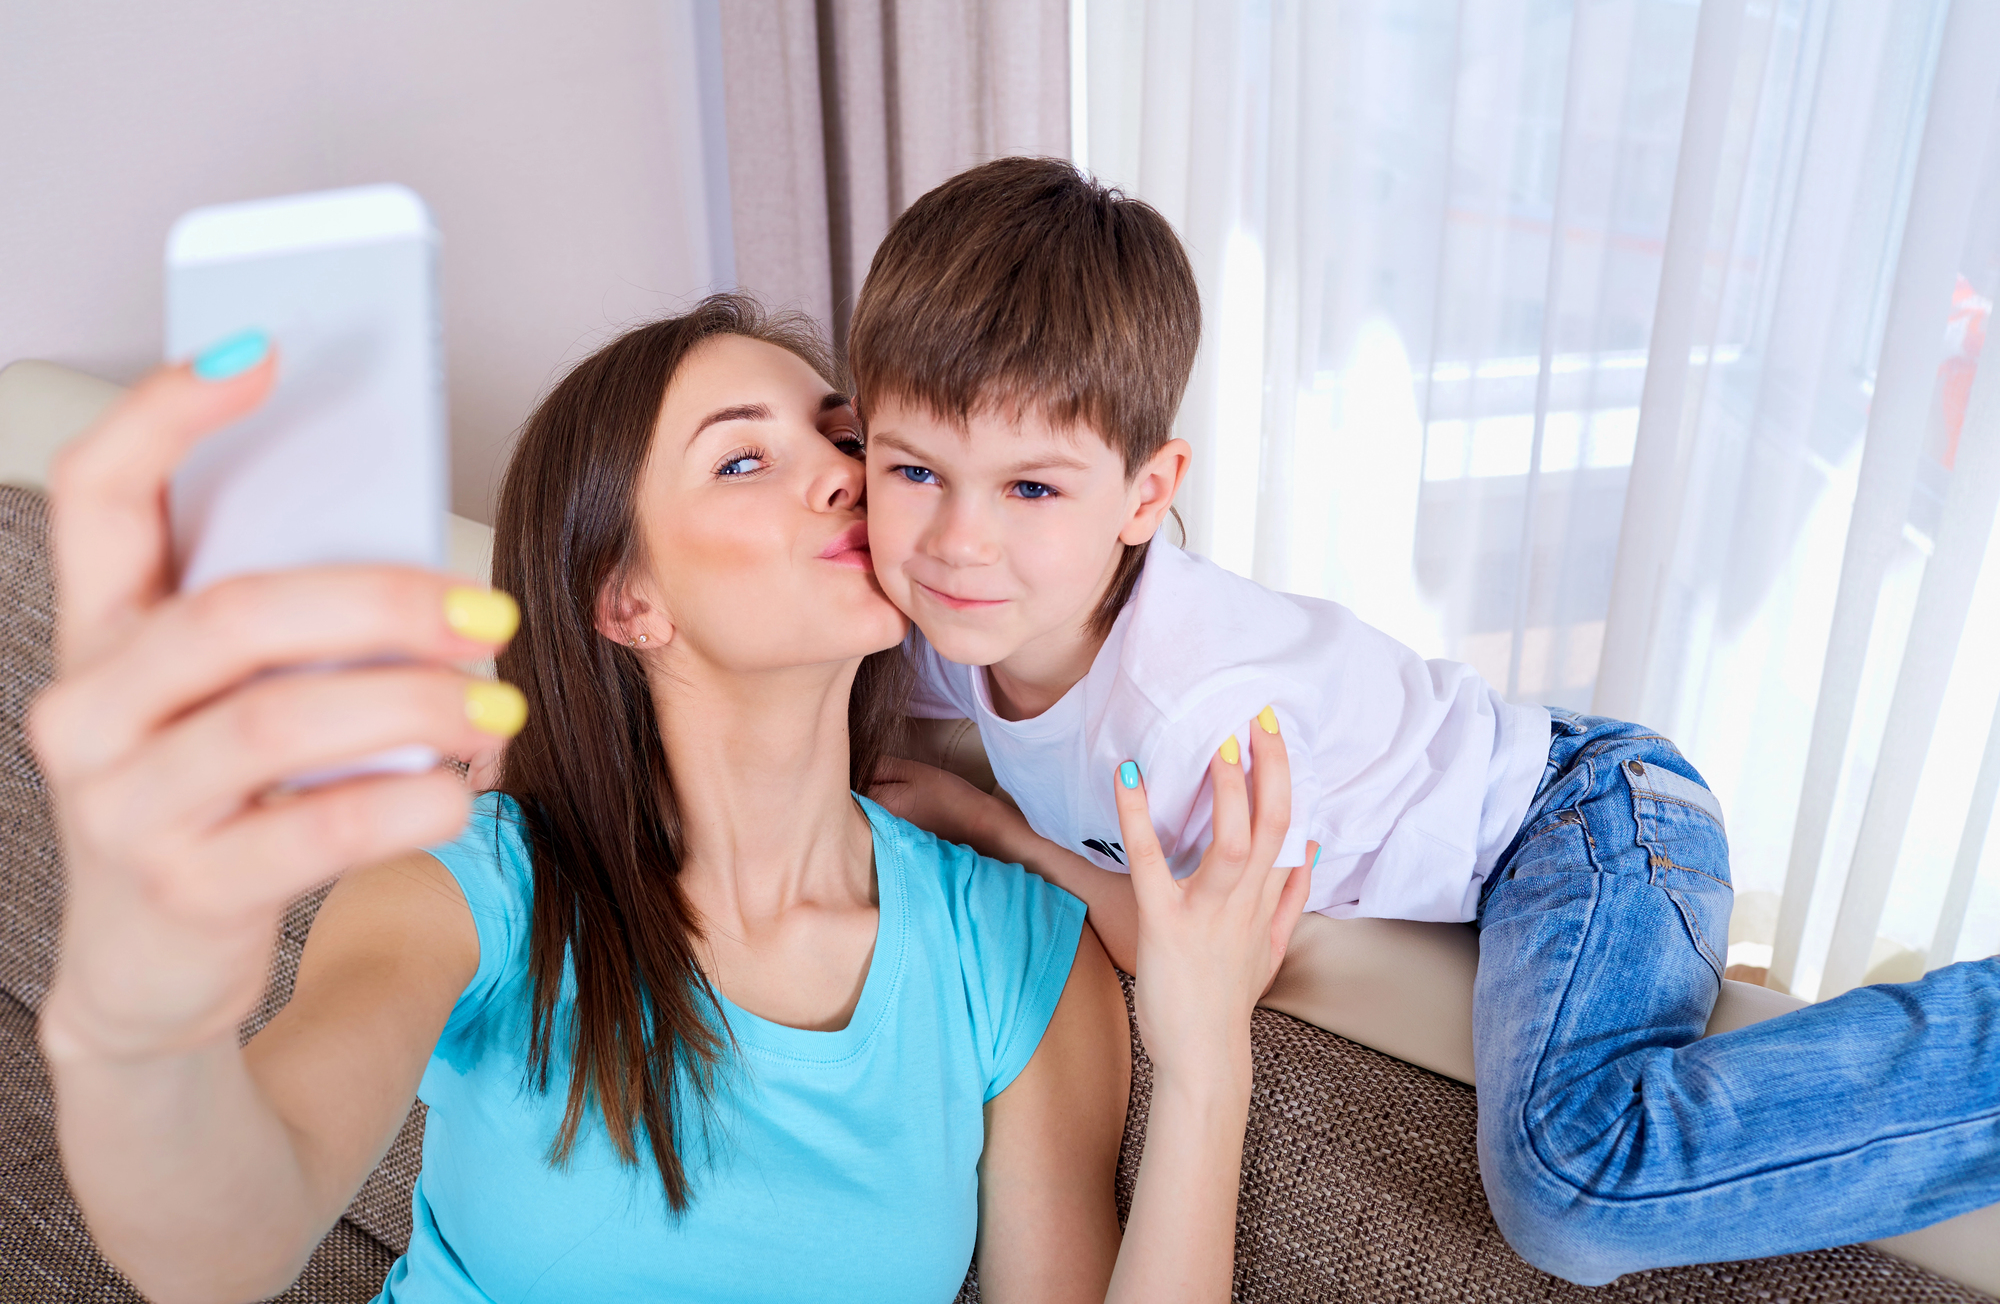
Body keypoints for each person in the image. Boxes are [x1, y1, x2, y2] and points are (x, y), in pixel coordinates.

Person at [850, 156, 2000, 1285]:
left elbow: (1206, 955)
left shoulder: (1188, 719)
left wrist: (995, 831)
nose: (959, 541)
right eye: (913, 472)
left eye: (1031, 488)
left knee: (1573, 1185)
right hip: (1543, 810)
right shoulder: (984, 623)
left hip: (1576, 818)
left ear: (1146, 495)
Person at [30, 294, 1308, 1303]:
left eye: (844, 436)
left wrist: (1205, 1071)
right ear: (626, 600)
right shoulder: (478, 887)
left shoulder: (1007, 950)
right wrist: (138, 1031)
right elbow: (227, 1243)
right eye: (745, 461)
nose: (843, 475)